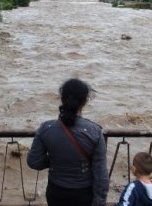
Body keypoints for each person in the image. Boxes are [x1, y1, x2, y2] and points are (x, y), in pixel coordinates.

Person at [27, 78, 109, 206]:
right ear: (85, 101)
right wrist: (99, 200)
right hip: (84, 194)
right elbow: (100, 173)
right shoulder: (95, 132)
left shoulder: (45, 129)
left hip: (56, 192)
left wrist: (55, 160)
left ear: (61, 98)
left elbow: (34, 162)